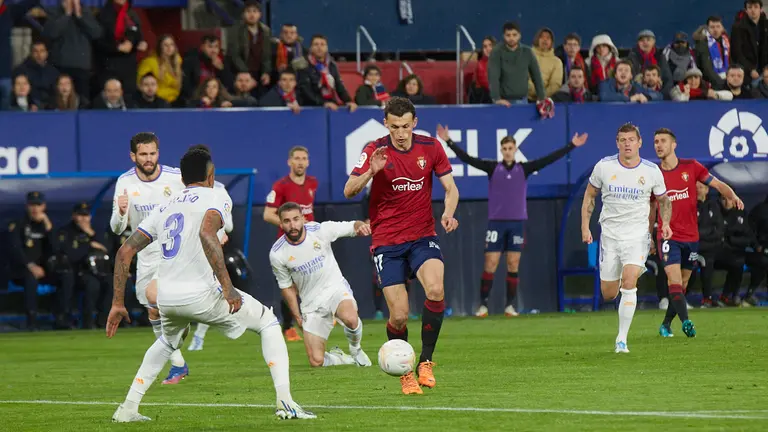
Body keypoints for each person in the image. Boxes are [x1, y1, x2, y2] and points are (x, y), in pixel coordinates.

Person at [107, 147, 315, 422]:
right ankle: (286, 403)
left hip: (167, 298)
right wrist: (228, 288)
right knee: (268, 323)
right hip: (201, 294)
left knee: (167, 342)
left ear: (181, 179)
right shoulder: (216, 195)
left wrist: (118, 303)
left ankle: (128, 408)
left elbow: (124, 252)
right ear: (211, 174)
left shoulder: (166, 204)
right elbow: (208, 232)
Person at [343, 96, 460, 395]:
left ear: (414, 123)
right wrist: (372, 171)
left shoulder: (431, 147)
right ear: (386, 124)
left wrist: (448, 213)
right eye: (394, 126)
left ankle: (426, 362)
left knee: (435, 290)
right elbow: (348, 190)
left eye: (406, 126)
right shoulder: (374, 150)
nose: (400, 132)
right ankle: (404, 373)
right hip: (387, 242)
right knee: (398, 315)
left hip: (422, 235)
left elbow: (450, 187)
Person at [439, 125, 588, 317]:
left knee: (513, 264)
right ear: (501, 150)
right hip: (496, 223)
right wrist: (449, 141)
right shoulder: (493, 168)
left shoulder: (523, 169)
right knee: (490, 264)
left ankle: (510, 306)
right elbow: (468, 159)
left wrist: (572, 145)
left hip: (516, 223)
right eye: (505, 148)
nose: (508, 151)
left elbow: (548, 159)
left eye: (511, 148)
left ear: (515, 149)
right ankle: (483, 305)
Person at [581, 123, 671, 354]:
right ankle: (626, 272)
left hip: (636, 235)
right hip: (610, 235)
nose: (627, 143)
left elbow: (663, 201)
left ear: (639, 142)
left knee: (629, 283)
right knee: (609, 293)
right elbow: (590, 196)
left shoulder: (651, 171)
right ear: (617, 143)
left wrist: (666, 224)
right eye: (623, 140)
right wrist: (585, 227)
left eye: (631, 139)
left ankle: (622, 340)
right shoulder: (604, 166)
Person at [109, 132, 190, 384]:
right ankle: (178, 364)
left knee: (164, 305)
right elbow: (116, 228)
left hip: (175, 251)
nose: (148, 159)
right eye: (143, 154)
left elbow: (202, 202)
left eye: (152, 153)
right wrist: (122, 212)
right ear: (133, 155)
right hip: (145, 253)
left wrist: (218, 231)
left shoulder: (176, 178)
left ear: (158, 153)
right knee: (153, 311)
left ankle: (178, 356)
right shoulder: (124, 183)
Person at [651, 128, 743, 338]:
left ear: (674, 145)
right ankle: (686, 322)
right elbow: (652, 208)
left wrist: (733, 195)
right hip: (667, 236)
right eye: (655, 141)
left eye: (662, 141)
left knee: (682, 285)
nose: (658, 145)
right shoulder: (654, 174)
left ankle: (666, 324)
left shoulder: (690, 167)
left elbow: (717, 184)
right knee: (673, 282)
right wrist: (649, 235)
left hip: (691, 238)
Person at [269, 202, 373, 368]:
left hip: (334, 289)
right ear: (281, 224)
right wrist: (297, 316)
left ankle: (356, 350)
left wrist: (361, 226)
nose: (292, 225)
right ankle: (342, 358)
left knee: (350, 319)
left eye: (296, 219)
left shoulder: (319, 230)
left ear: (303, 219)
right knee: (316, 361)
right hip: (311, 303)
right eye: (287, 221)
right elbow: (286, 287)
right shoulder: (277, 253)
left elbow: (351, 226)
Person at [263, 146, 318, 343]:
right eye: (296, 158)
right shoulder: (281, 186)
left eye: (304, 158)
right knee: (291, 285)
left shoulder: (313, 183)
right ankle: (288, 326)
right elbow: (268, 214)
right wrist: (292, 226)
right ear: (289, 162)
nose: (300, 162)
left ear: (308, 162)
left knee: (315, 278)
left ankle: (318, 317)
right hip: (290, 244)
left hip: (310, 243)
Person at [182, 144, 235, 352]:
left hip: (202, 248)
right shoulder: (185, 190)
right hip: (189, 249)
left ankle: (199, 335)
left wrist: (219, 233)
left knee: (209, 288)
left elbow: (228, 224)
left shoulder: (218, 191)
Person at [8, 191, 75, 330]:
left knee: (66, 275)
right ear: (27, 206)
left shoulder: (48, 224)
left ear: (43, 206)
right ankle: (31, 321)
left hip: (45, 269)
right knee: (30, 278)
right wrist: (30, 265)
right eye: (32, 205)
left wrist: (47, 225)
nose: (35, 209)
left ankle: (61, 317)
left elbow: (56, 249)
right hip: (23, 270)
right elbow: (15, 249)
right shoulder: (18, 224)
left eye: (38, 205)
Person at [56, 201, 113, 329]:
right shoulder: (66, 232)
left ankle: (103, 320)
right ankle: (87, 322)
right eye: (80, 215)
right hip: (78, 271)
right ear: (74, 216)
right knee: (92, 285)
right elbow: (70, 255)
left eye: (85, 215)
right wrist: (88, 246)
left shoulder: (96, 231)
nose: (83, 218)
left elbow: (108, 248)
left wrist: (90, 234)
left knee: (112, 282)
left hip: (100, 270)